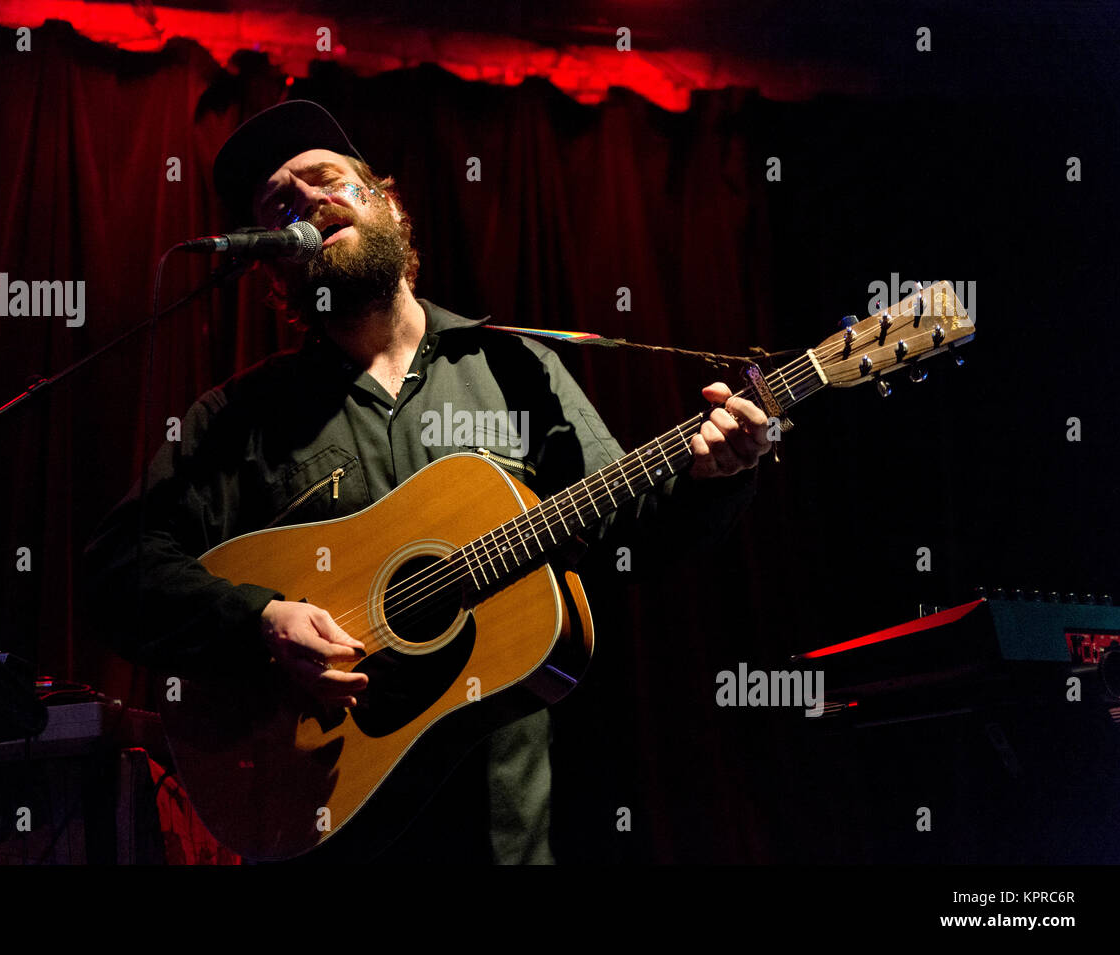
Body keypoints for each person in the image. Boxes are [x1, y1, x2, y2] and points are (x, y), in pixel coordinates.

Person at [82, 100, 770, 863]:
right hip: (332, 829)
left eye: (325, 180)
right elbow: (117, 571)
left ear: (386, 201)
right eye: (280, 205)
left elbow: (634, 530)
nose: (305, 200)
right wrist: (261, 620)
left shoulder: (515, 370)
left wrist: (718, 475)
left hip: (505, 836)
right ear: (273, 264)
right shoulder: (240, 417)